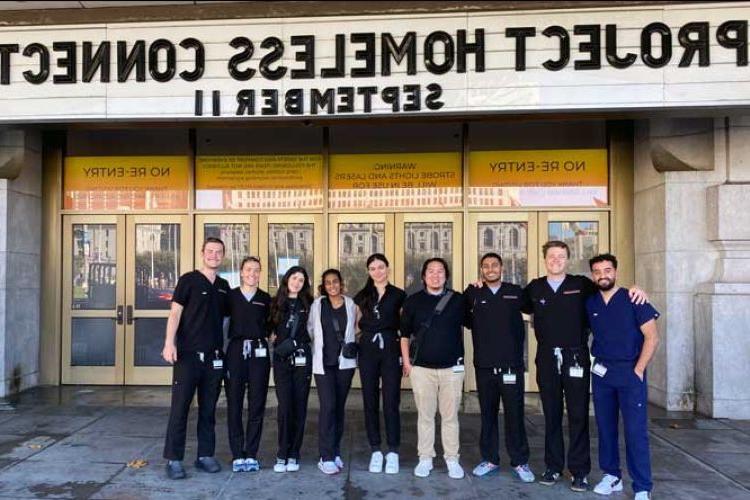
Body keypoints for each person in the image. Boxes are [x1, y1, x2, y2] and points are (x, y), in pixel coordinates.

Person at [522, 241, 648, 492]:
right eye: (551, 256)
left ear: (567, 260)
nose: (556, 260)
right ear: (544, 260)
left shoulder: (581, 285)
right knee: (552, 414)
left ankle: (579, 471)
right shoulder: (534, 288)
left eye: (561, 256)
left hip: (576, 358)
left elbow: (610, 290)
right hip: (547, 358)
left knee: (578, 415)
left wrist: (637, 290)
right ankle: (553, 466)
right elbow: (512, 305)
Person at [586, 254, 659, 500]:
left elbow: (652, 337)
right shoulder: (591, 303)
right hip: (603, 373)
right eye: (597, 271)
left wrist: (639, 369)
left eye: (607, 270)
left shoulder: (634, 298)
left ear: (615, 272)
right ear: (592, 275)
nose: (602, 275)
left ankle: (641, 486)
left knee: (635, 431)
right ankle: (612, 475)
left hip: (630, 372)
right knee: (605, 427)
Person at [162, 237, 230, 480]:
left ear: (223, 255)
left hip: (213, 359)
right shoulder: (188, 280)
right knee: (180, 408)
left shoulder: (223, 286)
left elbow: (226, 322)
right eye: (210, 251)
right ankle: (173, 459)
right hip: (188, 356)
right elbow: (175, 313)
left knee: (209, 409)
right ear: (202, 253)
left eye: (218, 252)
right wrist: (169, 343)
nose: (214, 255)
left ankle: (205, 456)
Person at [463, 253, 534, 483]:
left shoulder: (515, 291)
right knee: (488, 414)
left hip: (511, 364)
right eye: (486, 266)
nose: (490, 269)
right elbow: (461, 317)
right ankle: (490, 459)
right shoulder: (473, 293)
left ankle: (520, 461)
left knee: (515, 414)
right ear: (481, 270)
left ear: (501, 267)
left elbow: (538, 309)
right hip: (485, 366)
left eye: (494, 265)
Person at [400, 257, 466, 480]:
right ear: (423, 276)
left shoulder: (458, 300)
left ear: (446, 276)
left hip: (452, 369)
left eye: (440, 271)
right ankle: (425, 458)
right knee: (425, 416)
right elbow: (404, 335)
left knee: (450, 417)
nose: (435, 275)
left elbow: (476, 320)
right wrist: (407, 362)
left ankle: (452, 459)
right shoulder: (413, 301)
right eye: (431, 271)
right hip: (422, 369)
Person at [353, 254, 406, 474]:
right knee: (370, 399)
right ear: (368, 271)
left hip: (391, 348)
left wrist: (406, 356)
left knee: (391, 400)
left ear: (388, 268)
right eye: (373, 268)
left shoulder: (399, 295)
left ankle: (393, 450)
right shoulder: (362, 295)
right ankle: (376, 449)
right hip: (368, 350)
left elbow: (405, 327)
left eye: (381, 267)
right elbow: (356, 325)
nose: (377, 271)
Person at [224, 256, 272, 473]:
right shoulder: (230, 297)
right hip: (235, 352)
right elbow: (221, 323)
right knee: (234, 403)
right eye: (248, 270)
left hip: (259, 353)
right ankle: (237, 454)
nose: (252, 274)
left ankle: (251, 453)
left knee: (257, 404)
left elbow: (272, 328)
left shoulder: (266, 298)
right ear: (241, 272)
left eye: (256, 270)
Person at [309, 269, 358, 475]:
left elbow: (356, 328)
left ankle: (335, 451)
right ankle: (325, 456)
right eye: (328, 283)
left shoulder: (351, 304)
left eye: (335, 282)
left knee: (338, 407)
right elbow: (310, 329)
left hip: (344, 365)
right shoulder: (317, 305)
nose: (332, 286)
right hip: (323, 365)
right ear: (323, 286)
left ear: (341, 283)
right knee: (328, 407)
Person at [270, 266, 314, 473]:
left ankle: (294, 452)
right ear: (287, 279)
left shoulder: (310, 304)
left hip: (302, 358)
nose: (297, 282)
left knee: (300, 405)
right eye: (294, 278)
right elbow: (267, 328)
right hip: (281, 359)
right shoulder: (276, 303)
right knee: (285, 406)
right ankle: (282, 452)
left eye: (301, 280)